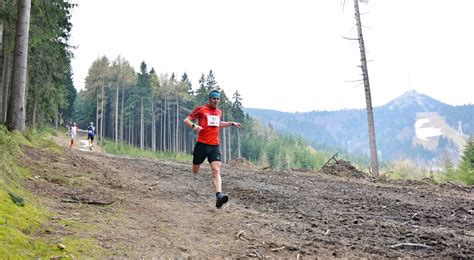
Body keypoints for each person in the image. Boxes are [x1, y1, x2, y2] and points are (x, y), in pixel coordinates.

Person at [184, 90, 242, 208]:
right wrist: (195, 126)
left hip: (214, 145)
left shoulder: (218, 112)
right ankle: (195, 155)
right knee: (195, 170)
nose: (216, 101)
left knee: (216, 170)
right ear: (210, 99)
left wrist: (232, 123)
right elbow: (186, 120)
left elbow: (218, 124)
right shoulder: (201, 109)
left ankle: (219, 196)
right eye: (214, 98)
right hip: (201, 145)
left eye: (218, 99)